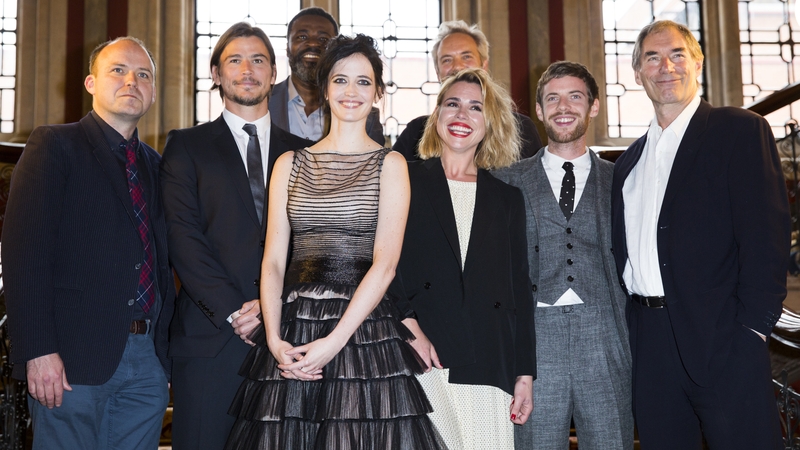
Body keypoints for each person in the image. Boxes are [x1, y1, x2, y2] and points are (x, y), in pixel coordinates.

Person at [224, 34, 446, 449]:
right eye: (341, 80)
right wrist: (273, 340)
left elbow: (385, 266)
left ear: (378, 92)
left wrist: (333, 344)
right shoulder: (288, 164)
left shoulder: (392, 164)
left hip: (362, 334)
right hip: (292, 328)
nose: (351, 92)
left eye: (364, 82)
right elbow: (273, 262)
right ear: (325, 88)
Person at [611, 20, 790, 449]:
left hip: (724, 336)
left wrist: (752, 331)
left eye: (676, 54)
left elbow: (767, 237)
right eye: (652, 58)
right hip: (649, 345)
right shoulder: (627, 163)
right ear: (638, 74)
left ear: (698, 62)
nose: (665, 66)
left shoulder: (739, 130)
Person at [2, 36, 172, 449]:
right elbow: (25, 256)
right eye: (118, 70)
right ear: (91, 83)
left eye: (143, 74)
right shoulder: (54, 145)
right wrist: (37, 350)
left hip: (147, 362)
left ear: (152, 92)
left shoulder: (156, 165)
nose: (132, 80)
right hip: (69, 360)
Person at [160, 22, 313, 449]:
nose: (248, 69)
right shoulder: (185, 146)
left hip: (289, 339)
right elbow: (182, 236)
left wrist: (271, 306)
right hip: (212, 340)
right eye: (235, 60)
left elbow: (313, 242)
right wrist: (235, 311)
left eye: (258, 59)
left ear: (274, 72)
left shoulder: (303, 153)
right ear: (216, 73)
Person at [392, 67, 534, 450]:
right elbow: (382, 266)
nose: (461, 115)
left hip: (489, 360)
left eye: (475, 107)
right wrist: (410, 329)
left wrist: (524, 374)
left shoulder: (507, 199)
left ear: (491, 122)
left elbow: (519, 289)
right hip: (421, 354)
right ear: (436, 115)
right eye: (452, 104)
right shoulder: (403, 177)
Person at [494, 61, 633, 449]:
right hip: (535, 343)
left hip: (606, 336)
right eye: (552, 98)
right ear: (538, 111)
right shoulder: (507, 179)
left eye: (575, 96)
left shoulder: (620, 179)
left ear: (594, 107)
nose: (563, 107)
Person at [392, 20, 542, 160]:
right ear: (437, 73)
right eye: (447, 60)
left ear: (484, 66)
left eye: (466, 56)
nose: (457, 66)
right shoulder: (416, 132)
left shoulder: (521, 128)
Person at [269, 7, 384, 144]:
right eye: (302, 37)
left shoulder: (367, 116)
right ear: (287, 48)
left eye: (323, 39)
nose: (312, 44)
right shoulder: (265, 102)